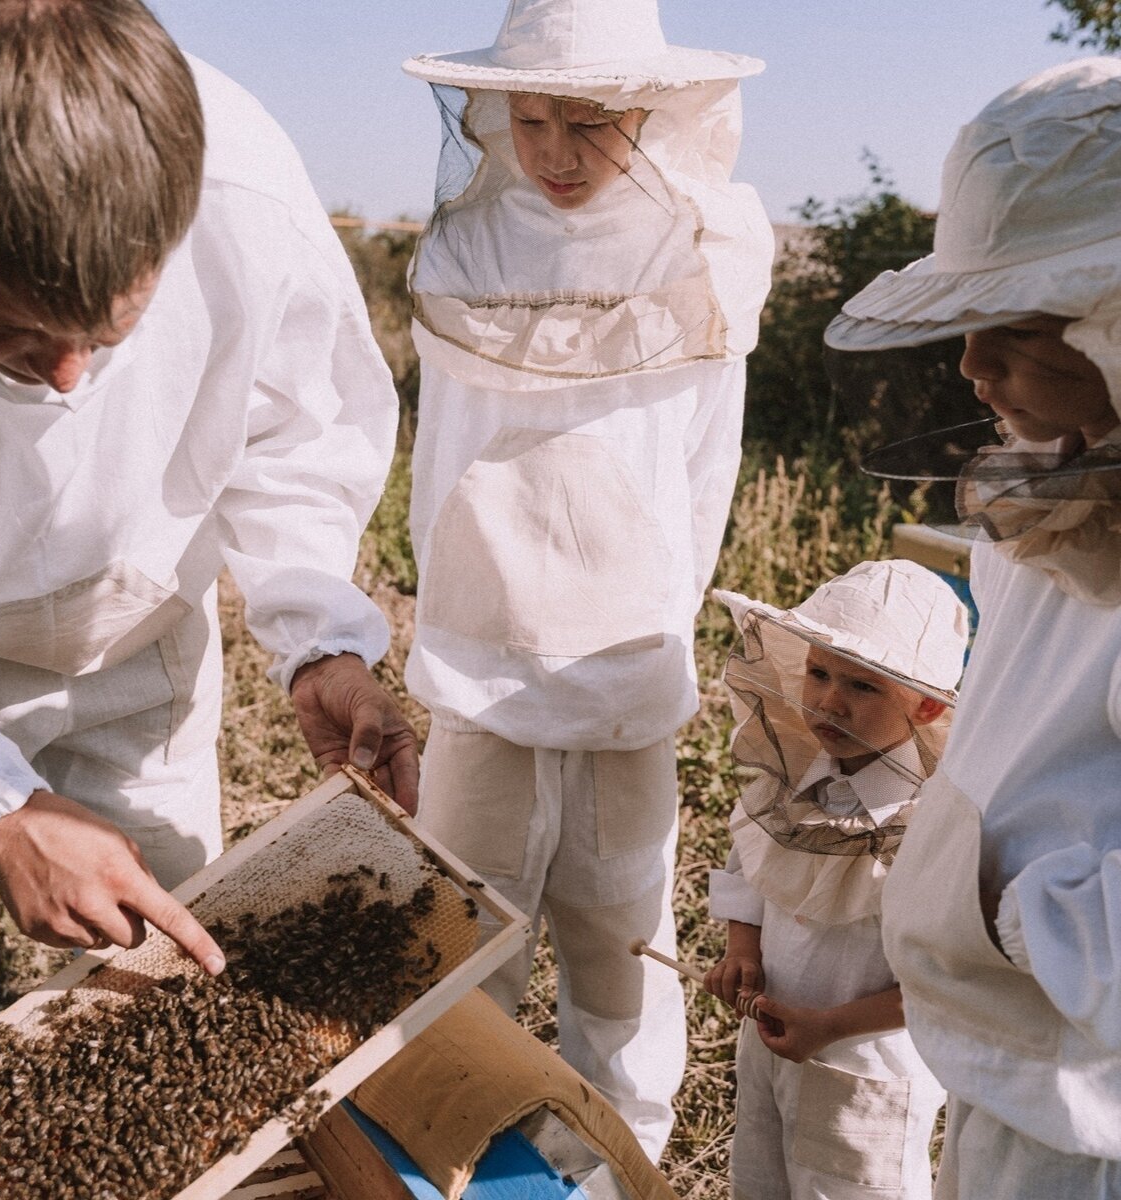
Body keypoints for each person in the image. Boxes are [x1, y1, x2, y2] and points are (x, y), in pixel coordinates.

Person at [0, 0, 417, 1051]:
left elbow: (294, 432)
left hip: (142, 638)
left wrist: (317, 637)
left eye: (108, 326)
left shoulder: (246, 191)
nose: (64, 377)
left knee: (164, 976)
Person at [399, 0, 774, 1158]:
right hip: (478, 659)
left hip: (625, 665)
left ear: (652, 113)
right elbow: (446, 455)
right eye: (533, 118)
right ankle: (450, 1153)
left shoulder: (704, 243)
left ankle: (621, 1160)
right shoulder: (467, 241)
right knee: (466, 943)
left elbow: (704, 465)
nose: (556, 152)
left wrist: (655, 612)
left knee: (623, 938)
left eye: (591, 122)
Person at [824, 58, 1121, 1199]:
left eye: (1013, 325)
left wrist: (987, 895)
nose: (970, 366)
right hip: (1005, 1071)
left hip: (1093, 1119)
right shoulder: (1053, 485)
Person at [705, 560, 968, 1199]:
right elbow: (752, 865)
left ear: (926, 704)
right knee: (759, 1180)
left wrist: (831, 1026)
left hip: (867, 1072)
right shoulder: (795, 772)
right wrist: (742, 950)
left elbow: (944, 981)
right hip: (768, 1040)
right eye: (818, 673)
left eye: (861, 686)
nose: (828, 700)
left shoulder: (936, 822)